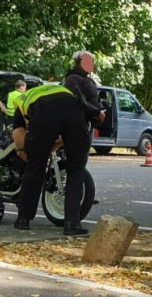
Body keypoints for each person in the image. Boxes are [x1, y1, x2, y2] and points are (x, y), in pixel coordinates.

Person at [11, 83, 92, 236]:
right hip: (73, 111)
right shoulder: (62, 90)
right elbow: (80, 122)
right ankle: (72, 223)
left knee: (35, 167)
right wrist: (57, 144)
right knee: (76, 169)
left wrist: (30, 153)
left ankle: (23, 219)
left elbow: (19, 140)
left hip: (44, 113)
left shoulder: (23, 100)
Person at [64, 51, 105, 127]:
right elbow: (77, 101)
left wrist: (101, 110)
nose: (91, 64)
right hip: (77, 124)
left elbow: (96, 98)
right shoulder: (72, 79)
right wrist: (97, 112)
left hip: (88, 123)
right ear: (79, 64)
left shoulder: (89, 80)